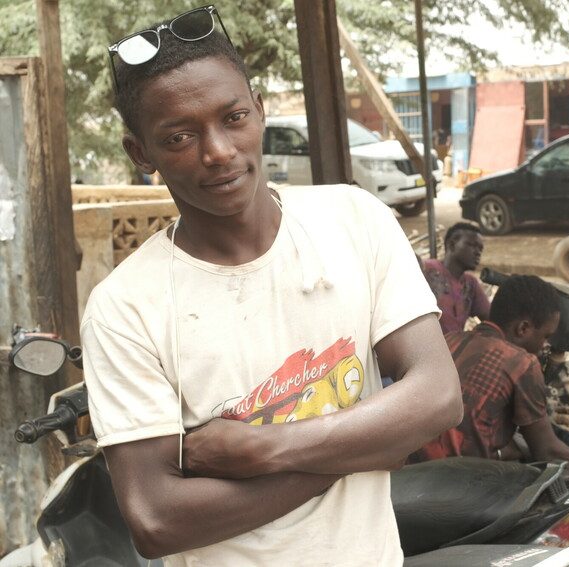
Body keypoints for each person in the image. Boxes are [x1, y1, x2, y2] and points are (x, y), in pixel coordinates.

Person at [80, 8, 462, 565]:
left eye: (233, 117)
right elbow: (158, 520)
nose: (218, 151)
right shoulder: (125, 309)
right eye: (180, 136)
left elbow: (438, 395)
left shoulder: (352, 220)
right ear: (142, 154)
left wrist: (264, 448)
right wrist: (370, 445)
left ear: (259, 109)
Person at [411, 275, 569, 465]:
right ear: (523, 329)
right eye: (545, 336)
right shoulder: (522, 363)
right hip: (462, 480)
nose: (545, 345)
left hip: (410, 471)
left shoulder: (448, 340)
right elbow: (547, 450)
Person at [423, 222, 490, 334]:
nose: (478, 253)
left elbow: (491, 318)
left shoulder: (470, 283)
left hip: (453, 349)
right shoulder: (427, 269)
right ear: (452, 244)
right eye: (472, 245)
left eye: (480, 249)